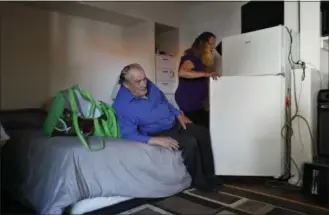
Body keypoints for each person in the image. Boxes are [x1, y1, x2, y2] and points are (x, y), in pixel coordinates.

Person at [113, 63, 219, 192]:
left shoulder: (149, 85)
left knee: (203, 133)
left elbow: (164, 101)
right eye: (138, 82)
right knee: (190, 142)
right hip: (157, 132)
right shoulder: (122, 105)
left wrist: (178, 114)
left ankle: (211, 175)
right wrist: (155, 140)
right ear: (126, 84)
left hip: (174, 122)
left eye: (144, 79)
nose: (144, 84)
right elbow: (127, 134)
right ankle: (199, 182)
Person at [175, 32, 219, 129]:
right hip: (188, 99)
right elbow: (182, 72)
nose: (213, 47)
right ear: (202, 43)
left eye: (214, 44)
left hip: (196, 101)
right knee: (201, 126)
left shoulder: (200, 59)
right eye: (210, 43)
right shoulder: (192, 57)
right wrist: (207, 74)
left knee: (202, 124)